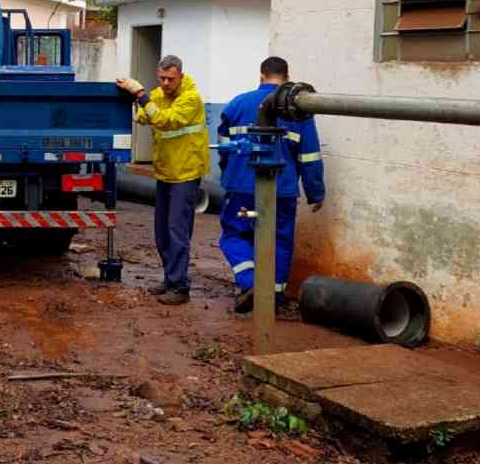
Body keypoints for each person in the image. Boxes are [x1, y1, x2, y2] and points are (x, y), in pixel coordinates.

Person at [217, 56, 325, 314]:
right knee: (280, 240)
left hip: (242, 187)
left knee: (234, 234)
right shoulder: (299, 110)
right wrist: (315, 192)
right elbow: (309, 155)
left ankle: (250, 283)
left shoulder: (237, 104)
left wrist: (228, 174)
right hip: (283, 189)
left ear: (261, 76)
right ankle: (273, 297)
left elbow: (223, 149)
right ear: (287, 78)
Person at [117, 55, 210, 305]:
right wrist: (134, 97)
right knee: (162, 231)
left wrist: (141, 95)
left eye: (171, 78)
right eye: (162, 78)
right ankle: (170, 279)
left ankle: (179, 286)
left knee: (177, 230)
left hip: (186, 173)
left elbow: (165, 120)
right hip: (167, 171)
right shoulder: (159, 94)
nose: (166, 83)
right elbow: (144, 118)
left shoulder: (191, 99)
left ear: (181, 75)